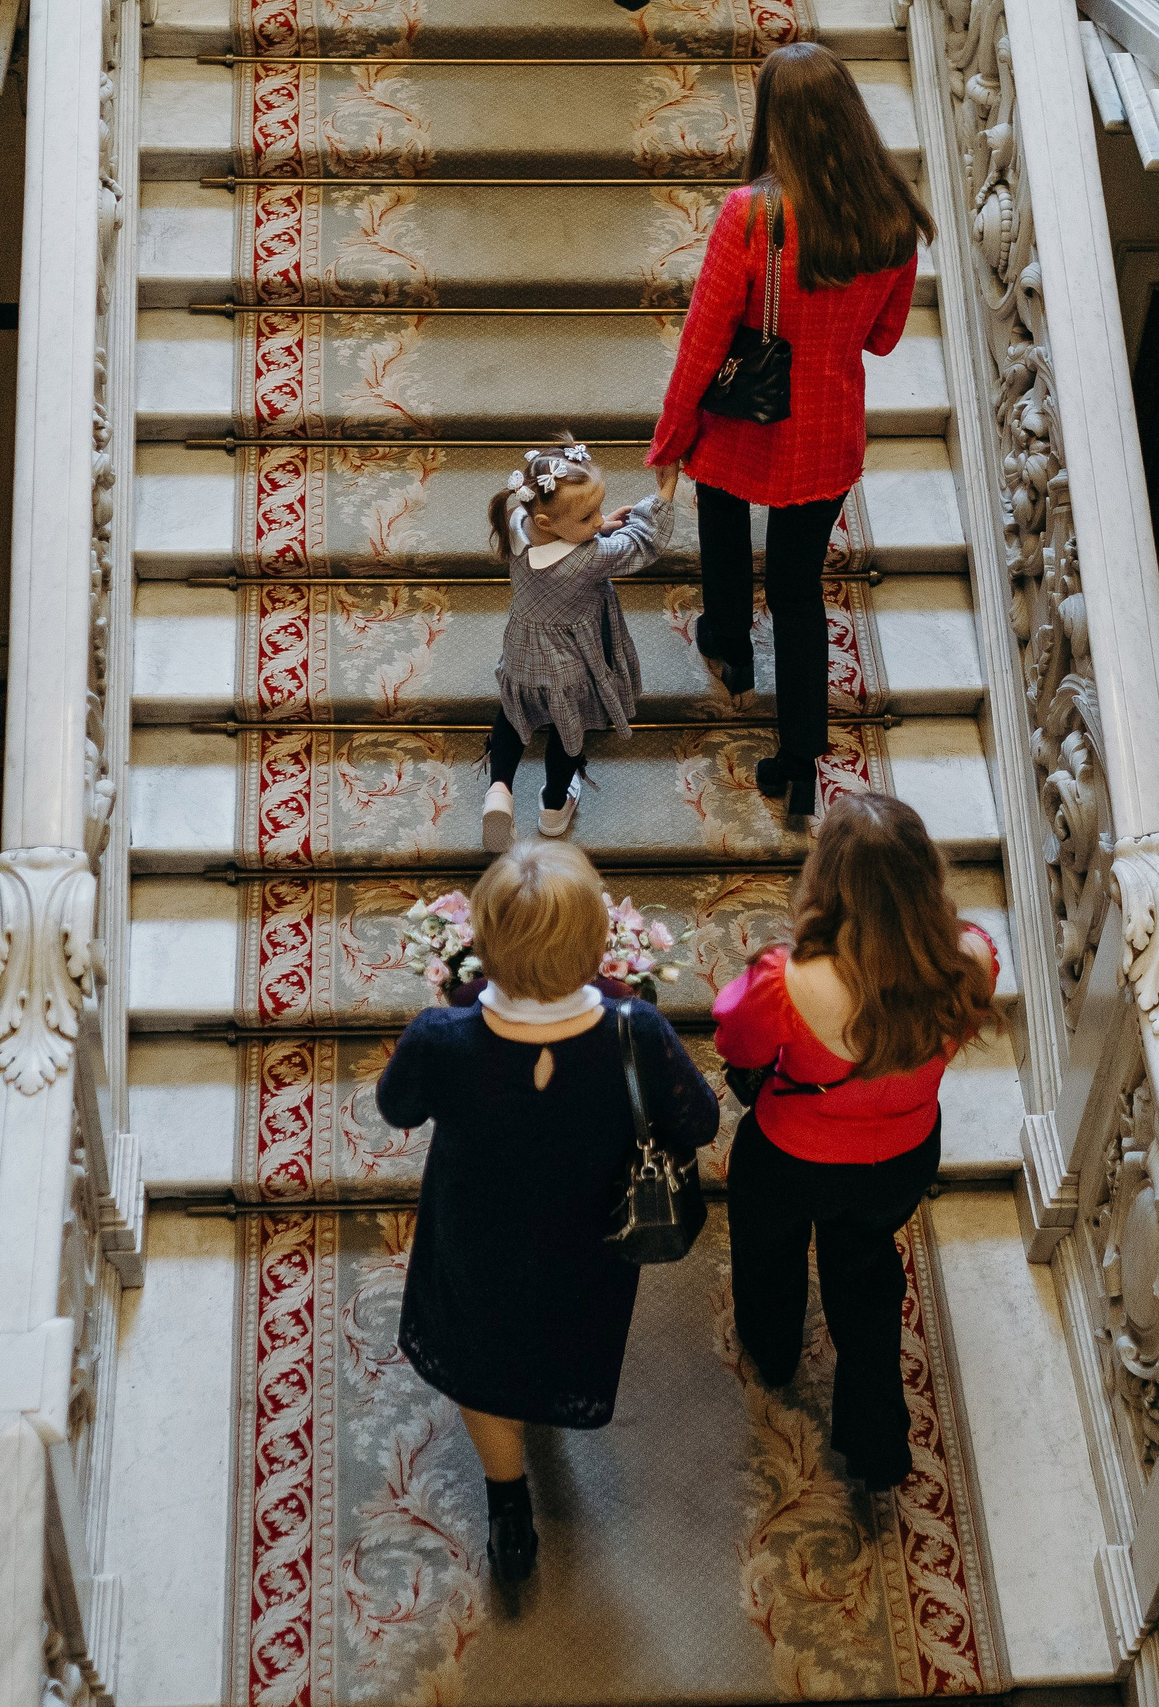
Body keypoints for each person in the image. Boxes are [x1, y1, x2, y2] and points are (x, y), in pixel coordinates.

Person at [382, 840, 719, 1581]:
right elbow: (699, 1123)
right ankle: (541, 1415)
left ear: (481, 941)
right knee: (554, 1338)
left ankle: (507, 1506)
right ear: (599, 944)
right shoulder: (638, 1032)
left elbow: (396, 1106)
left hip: (474, 1237)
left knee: (478, 1362)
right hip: (585, 1240)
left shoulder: (442, 1037)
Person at [648, 42, 936, 818]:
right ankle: (802, 763)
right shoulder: (892, 214)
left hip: (747, 425)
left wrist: (672, 436)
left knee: (721, 518)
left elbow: (704, 346)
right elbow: (883, 338)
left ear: (779, 118)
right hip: (827, 434)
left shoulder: (754, 214)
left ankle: (729, 645)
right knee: (800, 593)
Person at [711, 792, 996, 1488]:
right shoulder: (973, 960)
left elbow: (733, 1039)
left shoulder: (788, 979)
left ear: (827, 883)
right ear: (927, 875)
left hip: (789, 1157)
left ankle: (773, 1351)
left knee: (769, 1252)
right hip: (899, 1157)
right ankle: (877, 1446)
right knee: (866, 1278)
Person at [481, 436, 681, 852]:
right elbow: (642, 544)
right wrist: (663, 493)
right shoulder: (591, 560)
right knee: (566, 731)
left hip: (522, 654)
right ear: (549, 524)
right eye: (588, 515)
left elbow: (562, 533)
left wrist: (596, 525)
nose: (598, 521)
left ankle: (499, 790)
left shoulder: (518, 526)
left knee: (513, 717)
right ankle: (554, 807)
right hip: (569, 666)